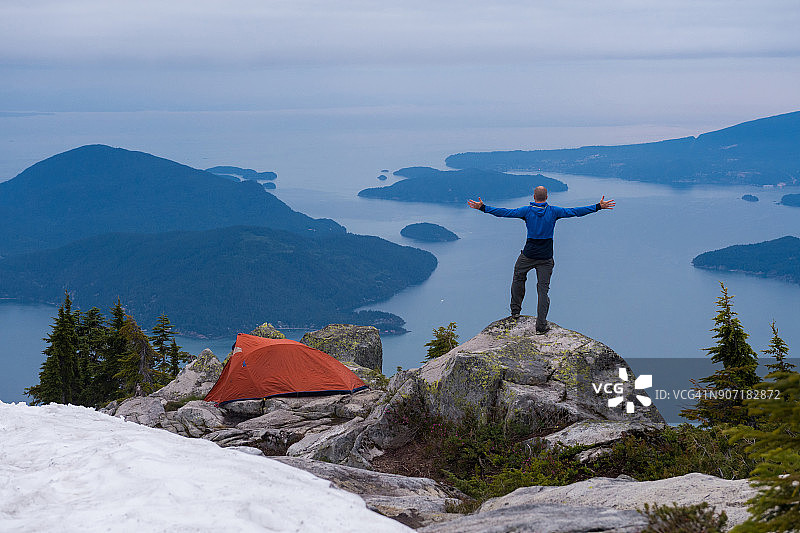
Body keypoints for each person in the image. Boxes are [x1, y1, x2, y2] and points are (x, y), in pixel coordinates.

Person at [468, 186, 615, 334]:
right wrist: (598, 206)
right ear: (547, 197)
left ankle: (515, 312)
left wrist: (483, 208)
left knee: (518, 277)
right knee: (543, 291)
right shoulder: (554, 211)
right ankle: (541, 326)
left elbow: (505, 212)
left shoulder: (526, 211)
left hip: (528, 255)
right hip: (546, 257)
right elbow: (575, 211)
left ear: (534, 197)